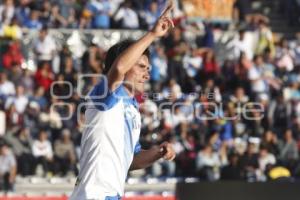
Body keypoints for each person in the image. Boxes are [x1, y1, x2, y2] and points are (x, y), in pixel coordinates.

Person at [69, 2, 176, 200]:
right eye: (141, 66)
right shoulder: (105, 95)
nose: (147, 73)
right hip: (93, 195)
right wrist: (152, 35)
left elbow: (131, 160)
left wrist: (158, 152)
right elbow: (118, 69)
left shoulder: (133, 109)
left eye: (148, 68)